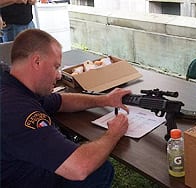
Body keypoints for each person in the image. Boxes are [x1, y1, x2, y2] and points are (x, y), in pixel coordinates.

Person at [1, 29, 131, 187]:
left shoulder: (12, 84)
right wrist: (113, 133)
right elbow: (79, 167)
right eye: (55, 67)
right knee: (96, 170)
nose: (58, 75)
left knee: (100, 169)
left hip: (22, 164)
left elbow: (60, 101)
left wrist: (105, 99)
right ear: (36, 62)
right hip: (25, 179)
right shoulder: (17, 110)